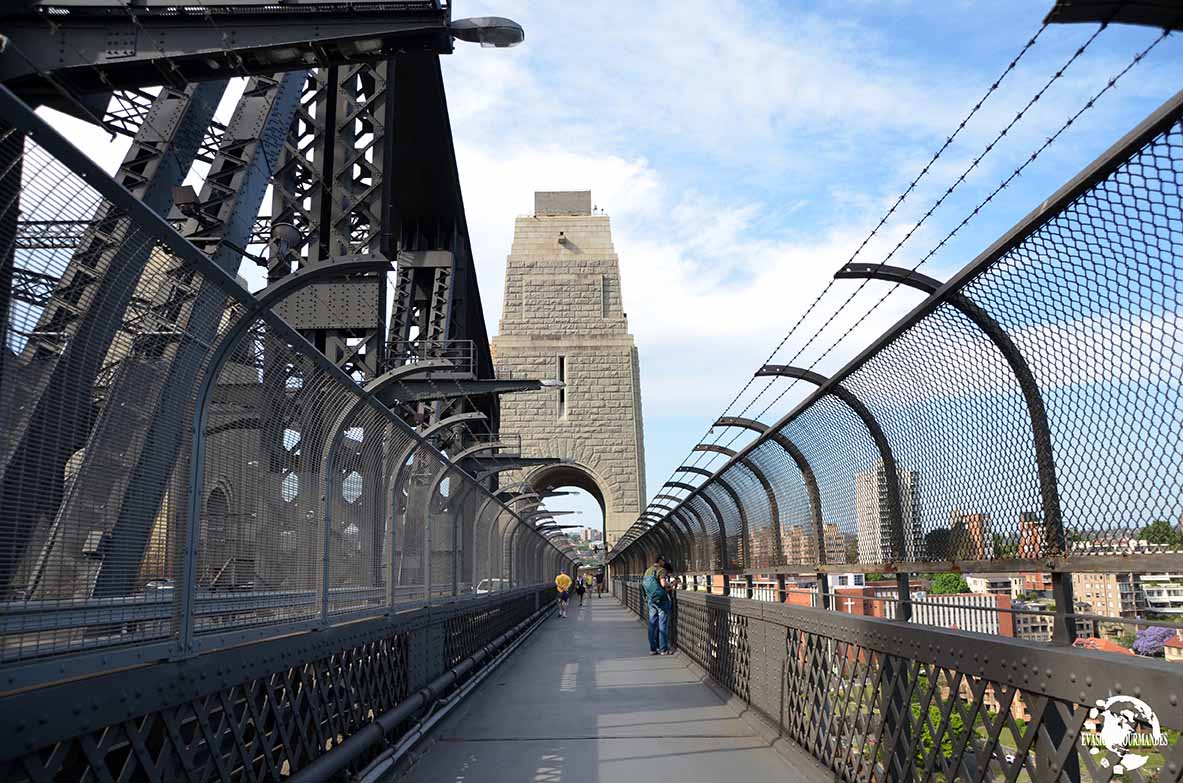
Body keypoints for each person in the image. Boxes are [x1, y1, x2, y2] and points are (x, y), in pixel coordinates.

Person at [642, 555, 672, 655]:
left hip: (651, 600)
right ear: (660, 561)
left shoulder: (648, 570)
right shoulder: (661, 570)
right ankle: (663, 649)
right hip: (661, 600)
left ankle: (653, 649)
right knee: (662, 624)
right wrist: (671, 585)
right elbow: (663, 584)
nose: (664, 562)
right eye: (663, 560)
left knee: (652, 624)